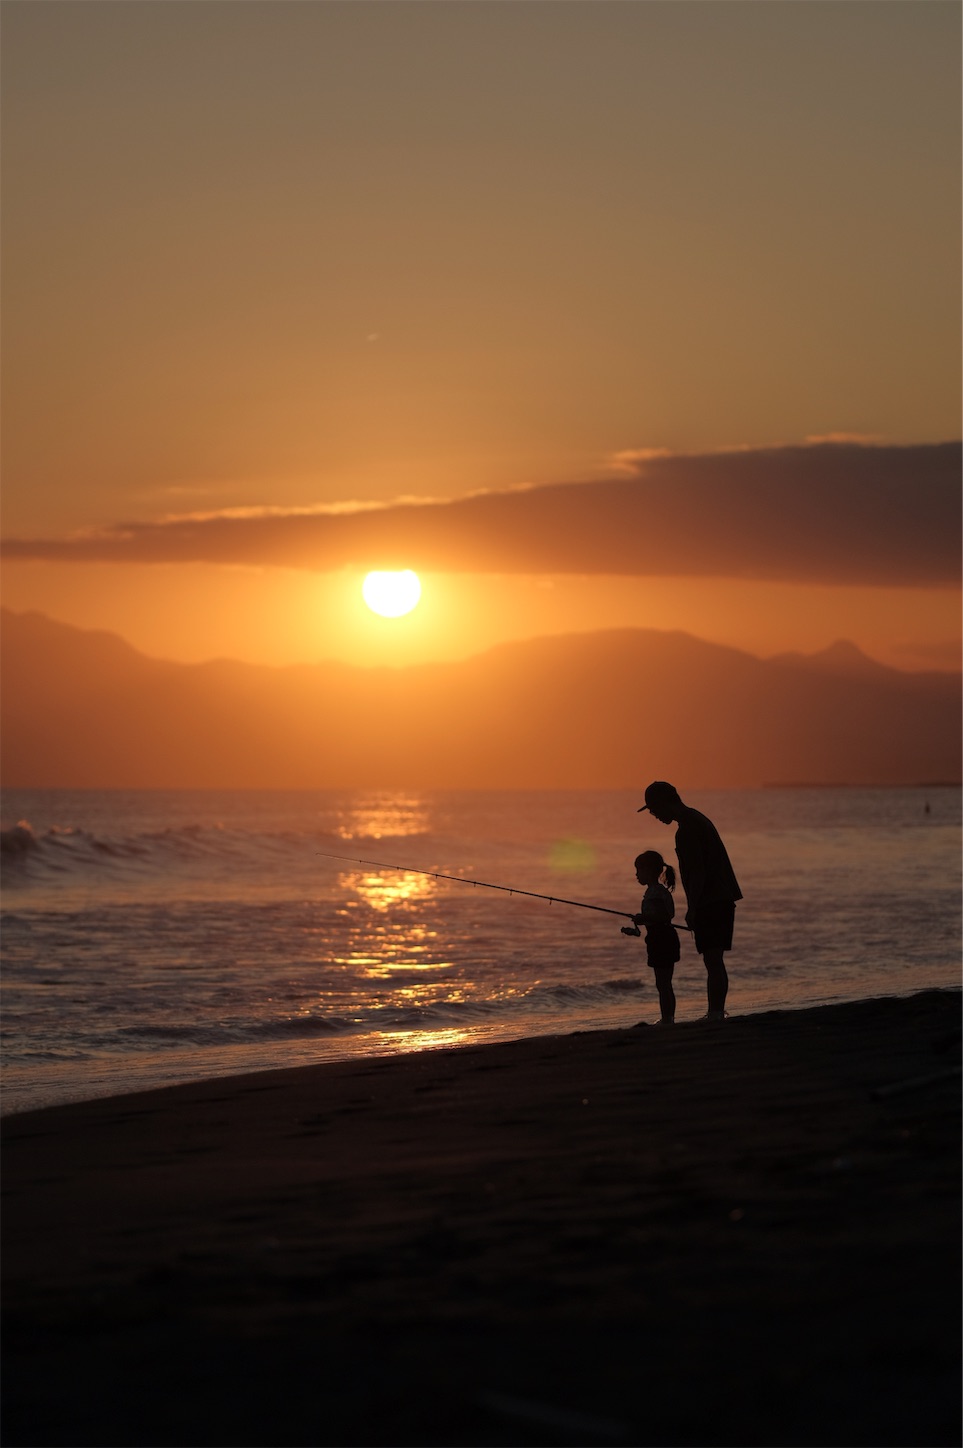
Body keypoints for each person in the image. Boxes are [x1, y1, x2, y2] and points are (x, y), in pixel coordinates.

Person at [639, 781, 742, 1021]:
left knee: (713, 959)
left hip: (712, 900)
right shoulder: (697, 819)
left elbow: (697, 873)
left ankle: (715, 1013)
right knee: (714, 959)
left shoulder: (686, 829)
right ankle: (715, 1011)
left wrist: (693, 908)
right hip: (721, 897)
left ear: (664, 803)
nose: (654, 815)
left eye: (654, 809)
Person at [621, 850, 680, 1024]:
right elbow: (662, 916)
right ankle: (668, 1017)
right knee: (665, 983)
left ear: (649, 871)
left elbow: (661, 916)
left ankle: (667, 1018)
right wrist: (639, 923)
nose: (636, 875)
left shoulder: (654, 892)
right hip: (664, 937)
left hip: (661, 939)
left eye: (639, 870)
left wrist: (643, 918)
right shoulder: (658, 891)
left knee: (663, 984)